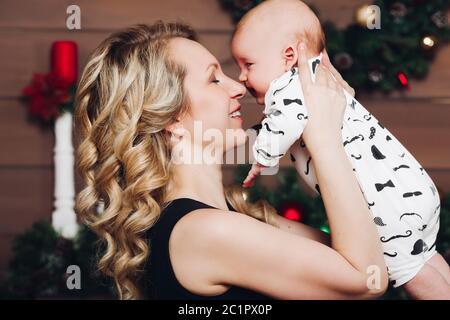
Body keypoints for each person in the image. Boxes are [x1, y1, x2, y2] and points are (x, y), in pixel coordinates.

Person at [74, 21, 387, 300]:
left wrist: (341, 122)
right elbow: (367, 280)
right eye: (214, 79)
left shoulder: (233, 217)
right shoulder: (205, 232)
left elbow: (371, 252)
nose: (238, 87)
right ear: (171, 117)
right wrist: (324, 137)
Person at [231, 0, 449, 299]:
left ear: (289, 56)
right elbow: (276, 128)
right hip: (409, 191)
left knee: (412, 273)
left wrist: (261, 158)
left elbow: (284, 125)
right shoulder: (319, 82)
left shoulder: (291, 88)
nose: (241, 77)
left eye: (248, 64)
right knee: (425, 258)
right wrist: (249, 140)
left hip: (389, 208)